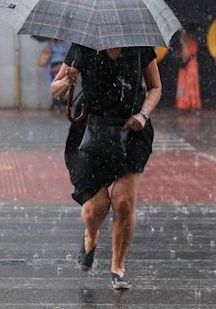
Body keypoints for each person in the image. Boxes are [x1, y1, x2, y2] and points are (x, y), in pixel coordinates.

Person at [50, 44, 161, 289]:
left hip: (131, 130)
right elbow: (55, 89)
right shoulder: (83, 48)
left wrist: (143, 115)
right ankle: (91, 235)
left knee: (124, 202)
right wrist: (68, 81)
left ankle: (118, 268)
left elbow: (155, 87)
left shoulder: (140, 47)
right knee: (95, 209)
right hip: (91, 131)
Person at [175, 29, 202, 110]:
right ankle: (183, 103)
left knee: (190, 85)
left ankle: (191, 103)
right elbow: (181, 55)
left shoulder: (192, 43)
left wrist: (184, 44)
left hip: (190, 67)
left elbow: (187, 54)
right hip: (184, 67)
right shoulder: (181, 45)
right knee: (183, 84)